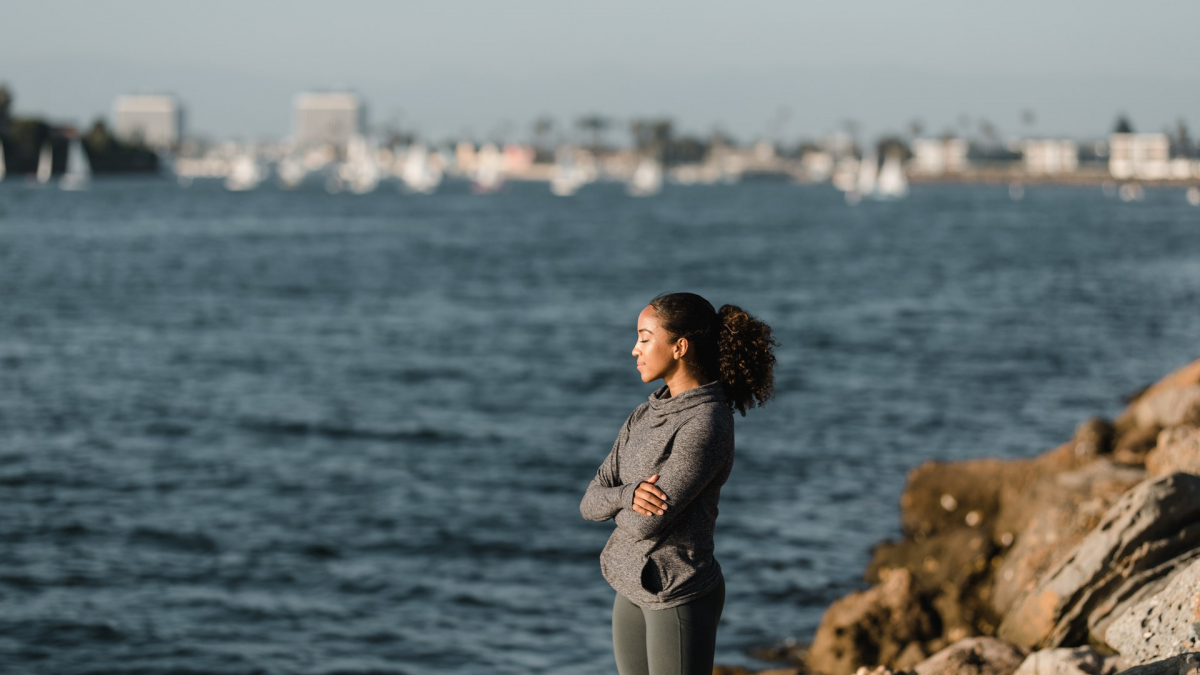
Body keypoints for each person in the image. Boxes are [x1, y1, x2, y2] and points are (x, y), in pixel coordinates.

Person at [580, 292, 778, 675]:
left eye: (644, 337)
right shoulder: (644, 413)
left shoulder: (706, 423)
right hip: (629, 585)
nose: (634, 349)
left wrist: (617, 503)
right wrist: (628, 494)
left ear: (679, 347)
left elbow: (646, 523)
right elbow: (589, 501)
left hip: (678, 593)